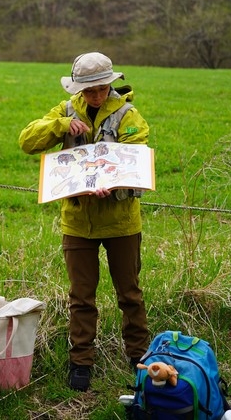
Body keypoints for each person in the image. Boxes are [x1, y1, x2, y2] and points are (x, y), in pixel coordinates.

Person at [18, 52, 150, 392]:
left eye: (101, 89)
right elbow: (27, 141)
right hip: (77, 221)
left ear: (111, 84)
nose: (95, 96)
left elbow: (136, 159)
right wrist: (60, 126)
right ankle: (81, 362)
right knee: (81, 297)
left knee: (130, 294)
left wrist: (114, 182)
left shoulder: (128, 115)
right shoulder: (64, 110)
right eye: (89, 90)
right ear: (78, 89)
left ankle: (140, 359)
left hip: (121, 221)